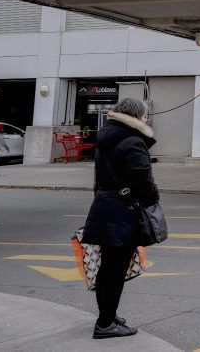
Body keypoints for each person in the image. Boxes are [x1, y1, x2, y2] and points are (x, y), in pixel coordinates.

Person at [81, 98, 160, 339]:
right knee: (115, 270)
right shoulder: (134, 142)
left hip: (105, 206)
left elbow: (99, 178)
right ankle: (105, 323)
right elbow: (143, 181)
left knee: (108, 268)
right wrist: (151, 200)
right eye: (145, 116)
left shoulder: (107, 137)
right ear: (136, 117)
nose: (146, 120)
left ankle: (108, 315)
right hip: (123, 212)